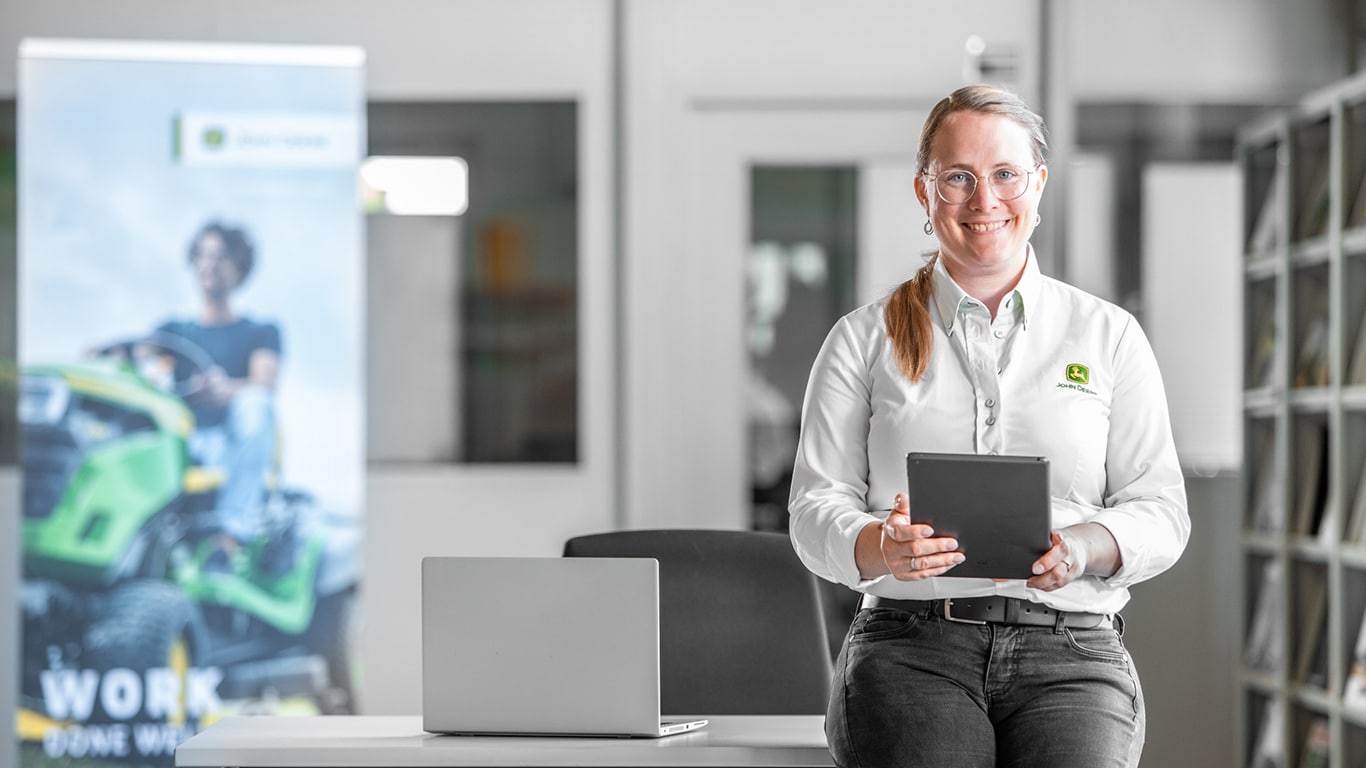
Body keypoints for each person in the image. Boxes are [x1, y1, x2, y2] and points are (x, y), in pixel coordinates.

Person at [787, 85, 1190, 768]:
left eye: (1005, 175)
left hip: (1074, 651)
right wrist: (878, 548)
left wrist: (1087, 546)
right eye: (958, 179)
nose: (984, 200)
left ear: (1037, 184)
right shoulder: (861, 340)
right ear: (924, 191)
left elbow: (1162, 512)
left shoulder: (1108, 336)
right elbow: (812, 508)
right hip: (909, 647)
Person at [157, 221, 283, 571]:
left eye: (221, 257)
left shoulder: (260, 332)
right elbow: (143, 365)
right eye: (203, 255)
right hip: (177, 445)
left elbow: (263, 385)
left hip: (227, 447)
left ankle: (228, 538)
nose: (210, 264)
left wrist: (224, 390)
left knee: (255, 403)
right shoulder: (171, 332)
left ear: (239, 270)